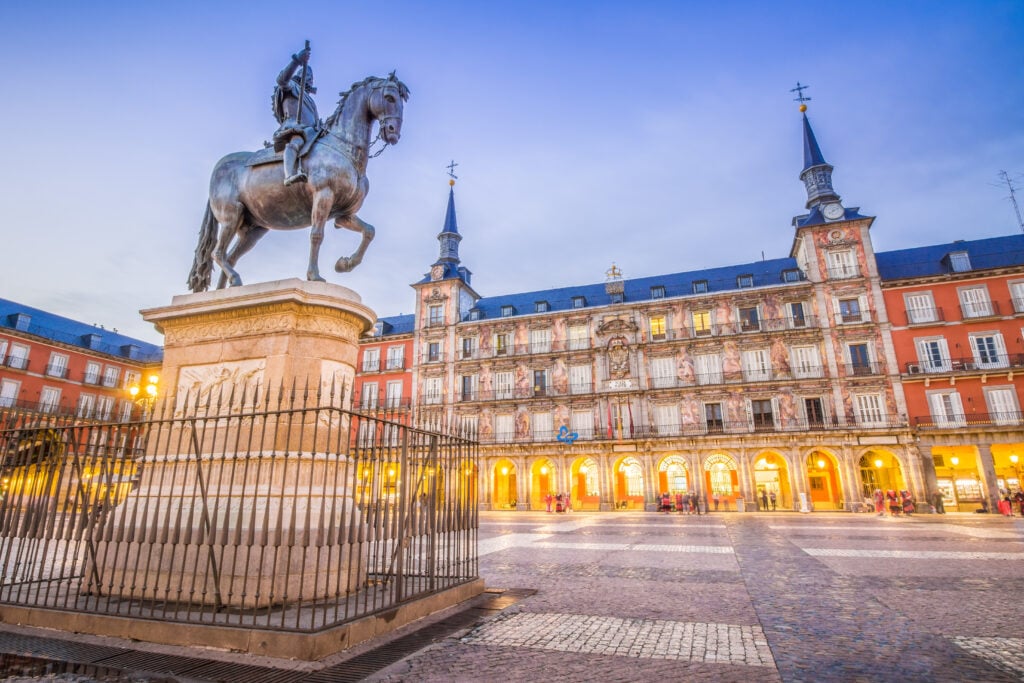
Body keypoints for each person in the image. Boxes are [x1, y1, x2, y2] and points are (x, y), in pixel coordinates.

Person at [272, 44, 320, 185]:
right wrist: (297, 61)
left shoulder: (309, 99)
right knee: (296, 141)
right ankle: (288, 176)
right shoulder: (292, 86)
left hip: (311, 133)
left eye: (312, 78)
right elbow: (281, 80)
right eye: (308, 76)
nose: (310, 79)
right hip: (295, 127)